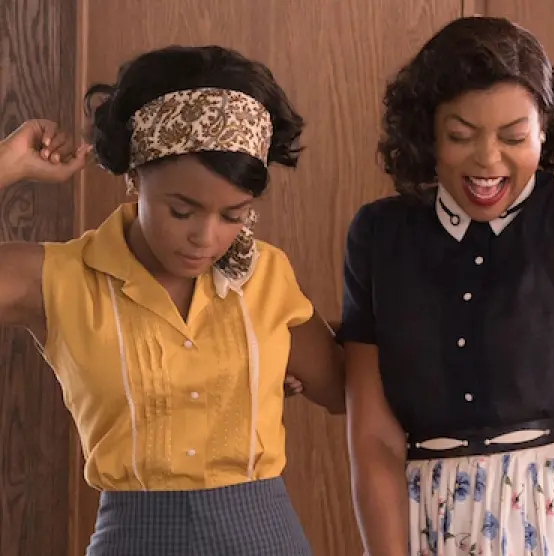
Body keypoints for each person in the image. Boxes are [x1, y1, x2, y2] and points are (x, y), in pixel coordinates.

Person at [337, 15, 554, 556]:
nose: (488, 159)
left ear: (544, 129)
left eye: (514, 136)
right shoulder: (378, 234)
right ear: (427, 133)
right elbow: (374, 438)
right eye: (461, 135)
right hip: (435, 520)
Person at [0, 45, 343, 555]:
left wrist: (265, 368)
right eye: (182, 211)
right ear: (135, 176)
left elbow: (345, 390)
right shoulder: (57, 279)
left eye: (234, 215)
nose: (206, 237)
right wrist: (5, 164)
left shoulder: (267, 274)